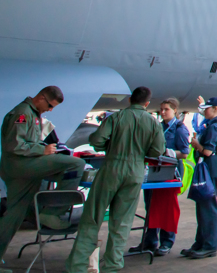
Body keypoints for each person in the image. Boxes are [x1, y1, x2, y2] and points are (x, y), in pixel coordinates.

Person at [65, 87, 165, 273]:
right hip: (135, 170)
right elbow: (157, 151)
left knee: (92, 217)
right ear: (147, 104)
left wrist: (109, 145)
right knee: (122, 221)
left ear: (129, 100)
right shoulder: (153, 123)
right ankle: (112, 265)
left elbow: (96, 139)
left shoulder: (115, 118)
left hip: (112, 167)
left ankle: (77, 266)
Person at [0, 86, 87, 264]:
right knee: (76, 164)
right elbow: (14, 145)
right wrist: (43, 149)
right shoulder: (23, 113)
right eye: (50, 105)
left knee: (14, 215)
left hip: (20, 167)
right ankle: (54, 213)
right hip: (20, 165)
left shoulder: (33, 113)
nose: (50, 110)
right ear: (40, 98)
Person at [128, 98, 191, 256]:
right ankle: (149, 241)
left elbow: (184, 152)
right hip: (155, 171)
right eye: (161, 110)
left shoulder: (179, 129)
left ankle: (166, 242)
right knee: (151, 206)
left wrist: (166, 152)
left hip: (170, 172)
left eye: (166, 110)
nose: (162, 112)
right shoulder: (158, 126)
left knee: (166, 208)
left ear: (175, 110)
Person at [181, 96, 217, 259]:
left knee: (207, 208)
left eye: (207, 108)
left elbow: (207, 151)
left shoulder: (214, 127)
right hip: (211, 168)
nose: (204, 111)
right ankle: (200, 243)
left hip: (210, 167)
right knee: (203, 207)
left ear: (215, 109)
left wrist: (196, 145)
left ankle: (208, 245)